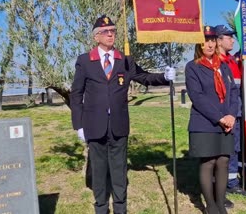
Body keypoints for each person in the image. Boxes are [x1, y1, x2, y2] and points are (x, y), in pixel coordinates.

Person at [70, 15, 176, 214]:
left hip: (118, 125)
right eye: (105, 32)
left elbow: (143, 77)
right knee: (99, 171)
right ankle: (101, 208)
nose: (110, 35)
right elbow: (76, 94)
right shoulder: (85, 61)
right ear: (96, 37)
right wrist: (79, 125)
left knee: (119, 171)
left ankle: (121, 209)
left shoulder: (124, 60)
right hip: (94, 125)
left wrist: (164, 76)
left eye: (113, 31)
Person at [185, 25, 239, 214]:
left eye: (212, 40)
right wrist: (220, 117)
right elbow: (197, 96)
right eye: (205, 40)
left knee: (223, 160)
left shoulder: (223, 66)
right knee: (208, 162)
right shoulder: (193, 67)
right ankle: (210, 205)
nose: (209, 44)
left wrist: (232, 114)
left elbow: (233, 91)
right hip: (204, 122)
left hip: (227, 121)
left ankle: (220, 202)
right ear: (199, 44)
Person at [215, 25, 246, 198]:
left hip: (236, 110)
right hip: (224, 113)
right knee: (225, 149)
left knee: (235, 148)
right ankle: (225, 184)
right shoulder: (217, 61)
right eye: (229, 37)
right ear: (219, 40)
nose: (232, 40)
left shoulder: (232, 60)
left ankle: (232, 181)